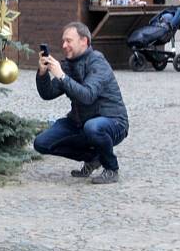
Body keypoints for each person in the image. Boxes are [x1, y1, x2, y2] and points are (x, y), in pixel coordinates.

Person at [34, 22, 129, 184]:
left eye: (69, 41)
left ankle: (111, 168)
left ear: (84, 41)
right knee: (41, 143)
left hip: (112, 122)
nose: (64, 45)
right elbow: (48, 94)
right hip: (80, 122)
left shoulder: (98, 62)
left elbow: (88, 96)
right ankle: (94, 158)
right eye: (63, 41)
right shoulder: (69, 64)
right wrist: (43, 74)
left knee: (93, 127)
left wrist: (62, 76)